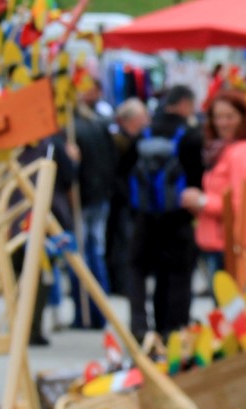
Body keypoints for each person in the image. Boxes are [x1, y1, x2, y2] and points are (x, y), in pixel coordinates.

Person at [126, 85, 204, 341]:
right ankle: (173, 328)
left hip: (145, 216)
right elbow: (197, 177)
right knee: (177, 274)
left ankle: (140, 323)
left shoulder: (143, 133)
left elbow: (124, 172)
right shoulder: (191, 135)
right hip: (179, 217)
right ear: (184, 103)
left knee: (140, 266)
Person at [185, 90, 246, 275]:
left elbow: (243, 204)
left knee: (234, 303)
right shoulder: (222, 149)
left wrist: (202, 201)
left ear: (243, 117)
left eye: (229, 116)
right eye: (218, 117)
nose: (223, 123)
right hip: (215, 242)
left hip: (233, 245)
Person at [69, 80, 119, 330]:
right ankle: (98, 310)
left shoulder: (78, 128)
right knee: (93, 253)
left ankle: (88, 313)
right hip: (98, 197)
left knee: (82, 256)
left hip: (87, 198)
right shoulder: (99, 124)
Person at [109, 98, 150, 337]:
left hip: (128, 204)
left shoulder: (130, 140)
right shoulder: (125, 142)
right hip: (127, 204)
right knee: (128, 251)